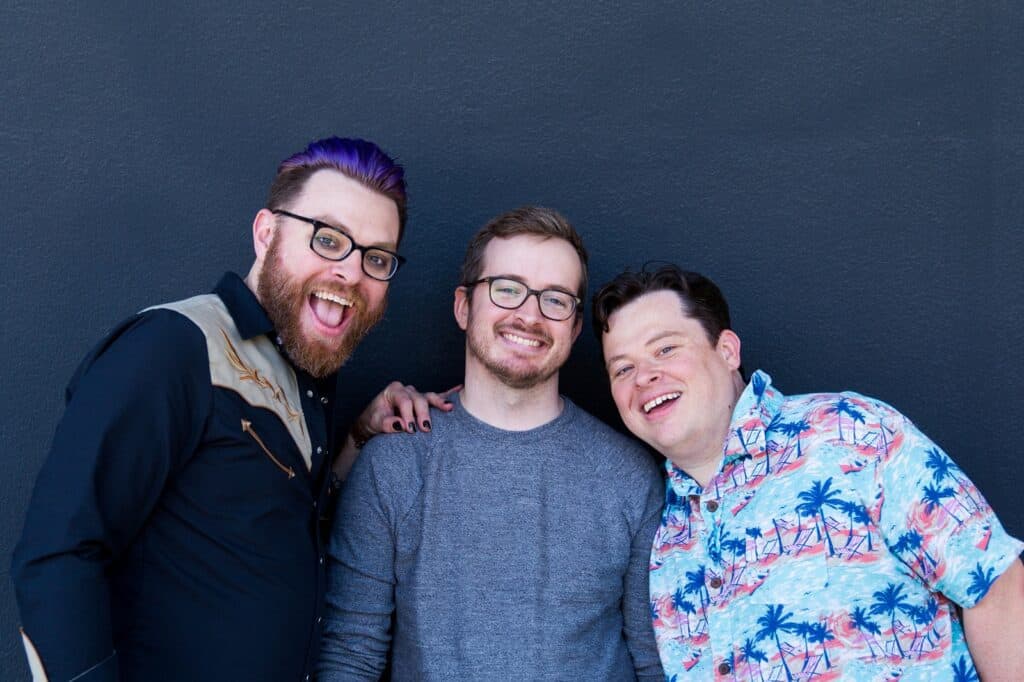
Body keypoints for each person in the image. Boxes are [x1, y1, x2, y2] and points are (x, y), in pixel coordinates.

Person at [11, 136, 450, 682]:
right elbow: (56, 556)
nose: (351, 272)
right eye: (328, 239)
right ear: (266, 233)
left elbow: (270, 530)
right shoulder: (175, 347)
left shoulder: (302, 371)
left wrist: (358, 439)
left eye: (376, 257)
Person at [593, 264, 1024, 681]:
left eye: (666, 349)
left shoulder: (851, 433)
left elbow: (996, 587)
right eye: (623, 368)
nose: (644, 377)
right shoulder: (661, 533)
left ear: (727, 351)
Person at [318, 207, 665, 680]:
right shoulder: (395, 463)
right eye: (507, 289)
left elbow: (656, 663)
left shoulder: (629, 476)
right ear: (464, 307)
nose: (529, 315)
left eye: (555, 299)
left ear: (574, 327)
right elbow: (349, 656)